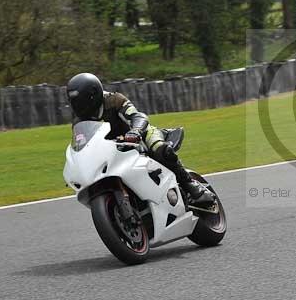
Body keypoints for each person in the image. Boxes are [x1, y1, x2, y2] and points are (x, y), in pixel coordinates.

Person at [66, 73, 213, 208]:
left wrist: (135, 131)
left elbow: (138, 116)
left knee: (161, 149)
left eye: (82, 101)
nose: (79, 106)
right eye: (75, 102)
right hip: (111, 149)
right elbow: (83, 146)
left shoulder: (113, 99)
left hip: (138, 135)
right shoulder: (79, 121)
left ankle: (192, 186)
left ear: (94, 95)